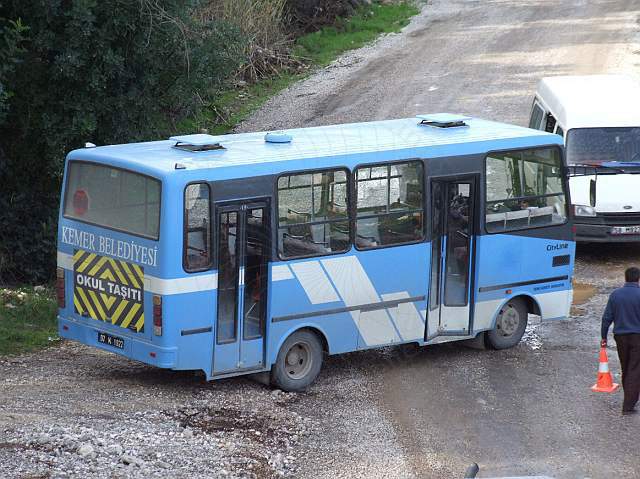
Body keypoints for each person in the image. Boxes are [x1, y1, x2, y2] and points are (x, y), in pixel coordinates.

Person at [601, 266, 640, 415]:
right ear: (638, 279)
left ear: (625, 278)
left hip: (620, 337)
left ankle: (629, 398)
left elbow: (606, 319)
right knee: (635, 369)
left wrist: (603, 337)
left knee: (626, 367)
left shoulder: (615, 295)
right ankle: (628, 405)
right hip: (638, 337)